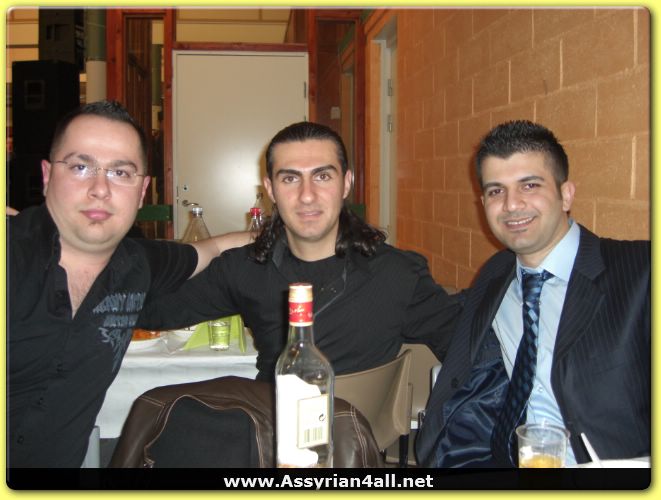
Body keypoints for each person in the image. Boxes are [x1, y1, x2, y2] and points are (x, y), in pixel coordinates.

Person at [7, 100, 249, 468]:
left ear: (142, 191)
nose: (100, 188)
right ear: (46, 175)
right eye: (80, 167)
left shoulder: (138, 263)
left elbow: (212, 248)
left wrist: (295, 231)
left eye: (121, 172)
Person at [139, 121, 461, 382]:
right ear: (270, 189)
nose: (307, 195)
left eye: (322, 176)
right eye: (291, 178)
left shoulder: (397, 275)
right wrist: (214, 245)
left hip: (355, 440)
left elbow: (467, 348)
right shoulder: (247, 269)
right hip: (269, 435)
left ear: (347, 183)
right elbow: (149, 309)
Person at [415, 120, 650, 467]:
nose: (511, 204)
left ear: (566, 194)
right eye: (496, 191)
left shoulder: (641, 272)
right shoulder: (496, 274)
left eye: (529, 185)